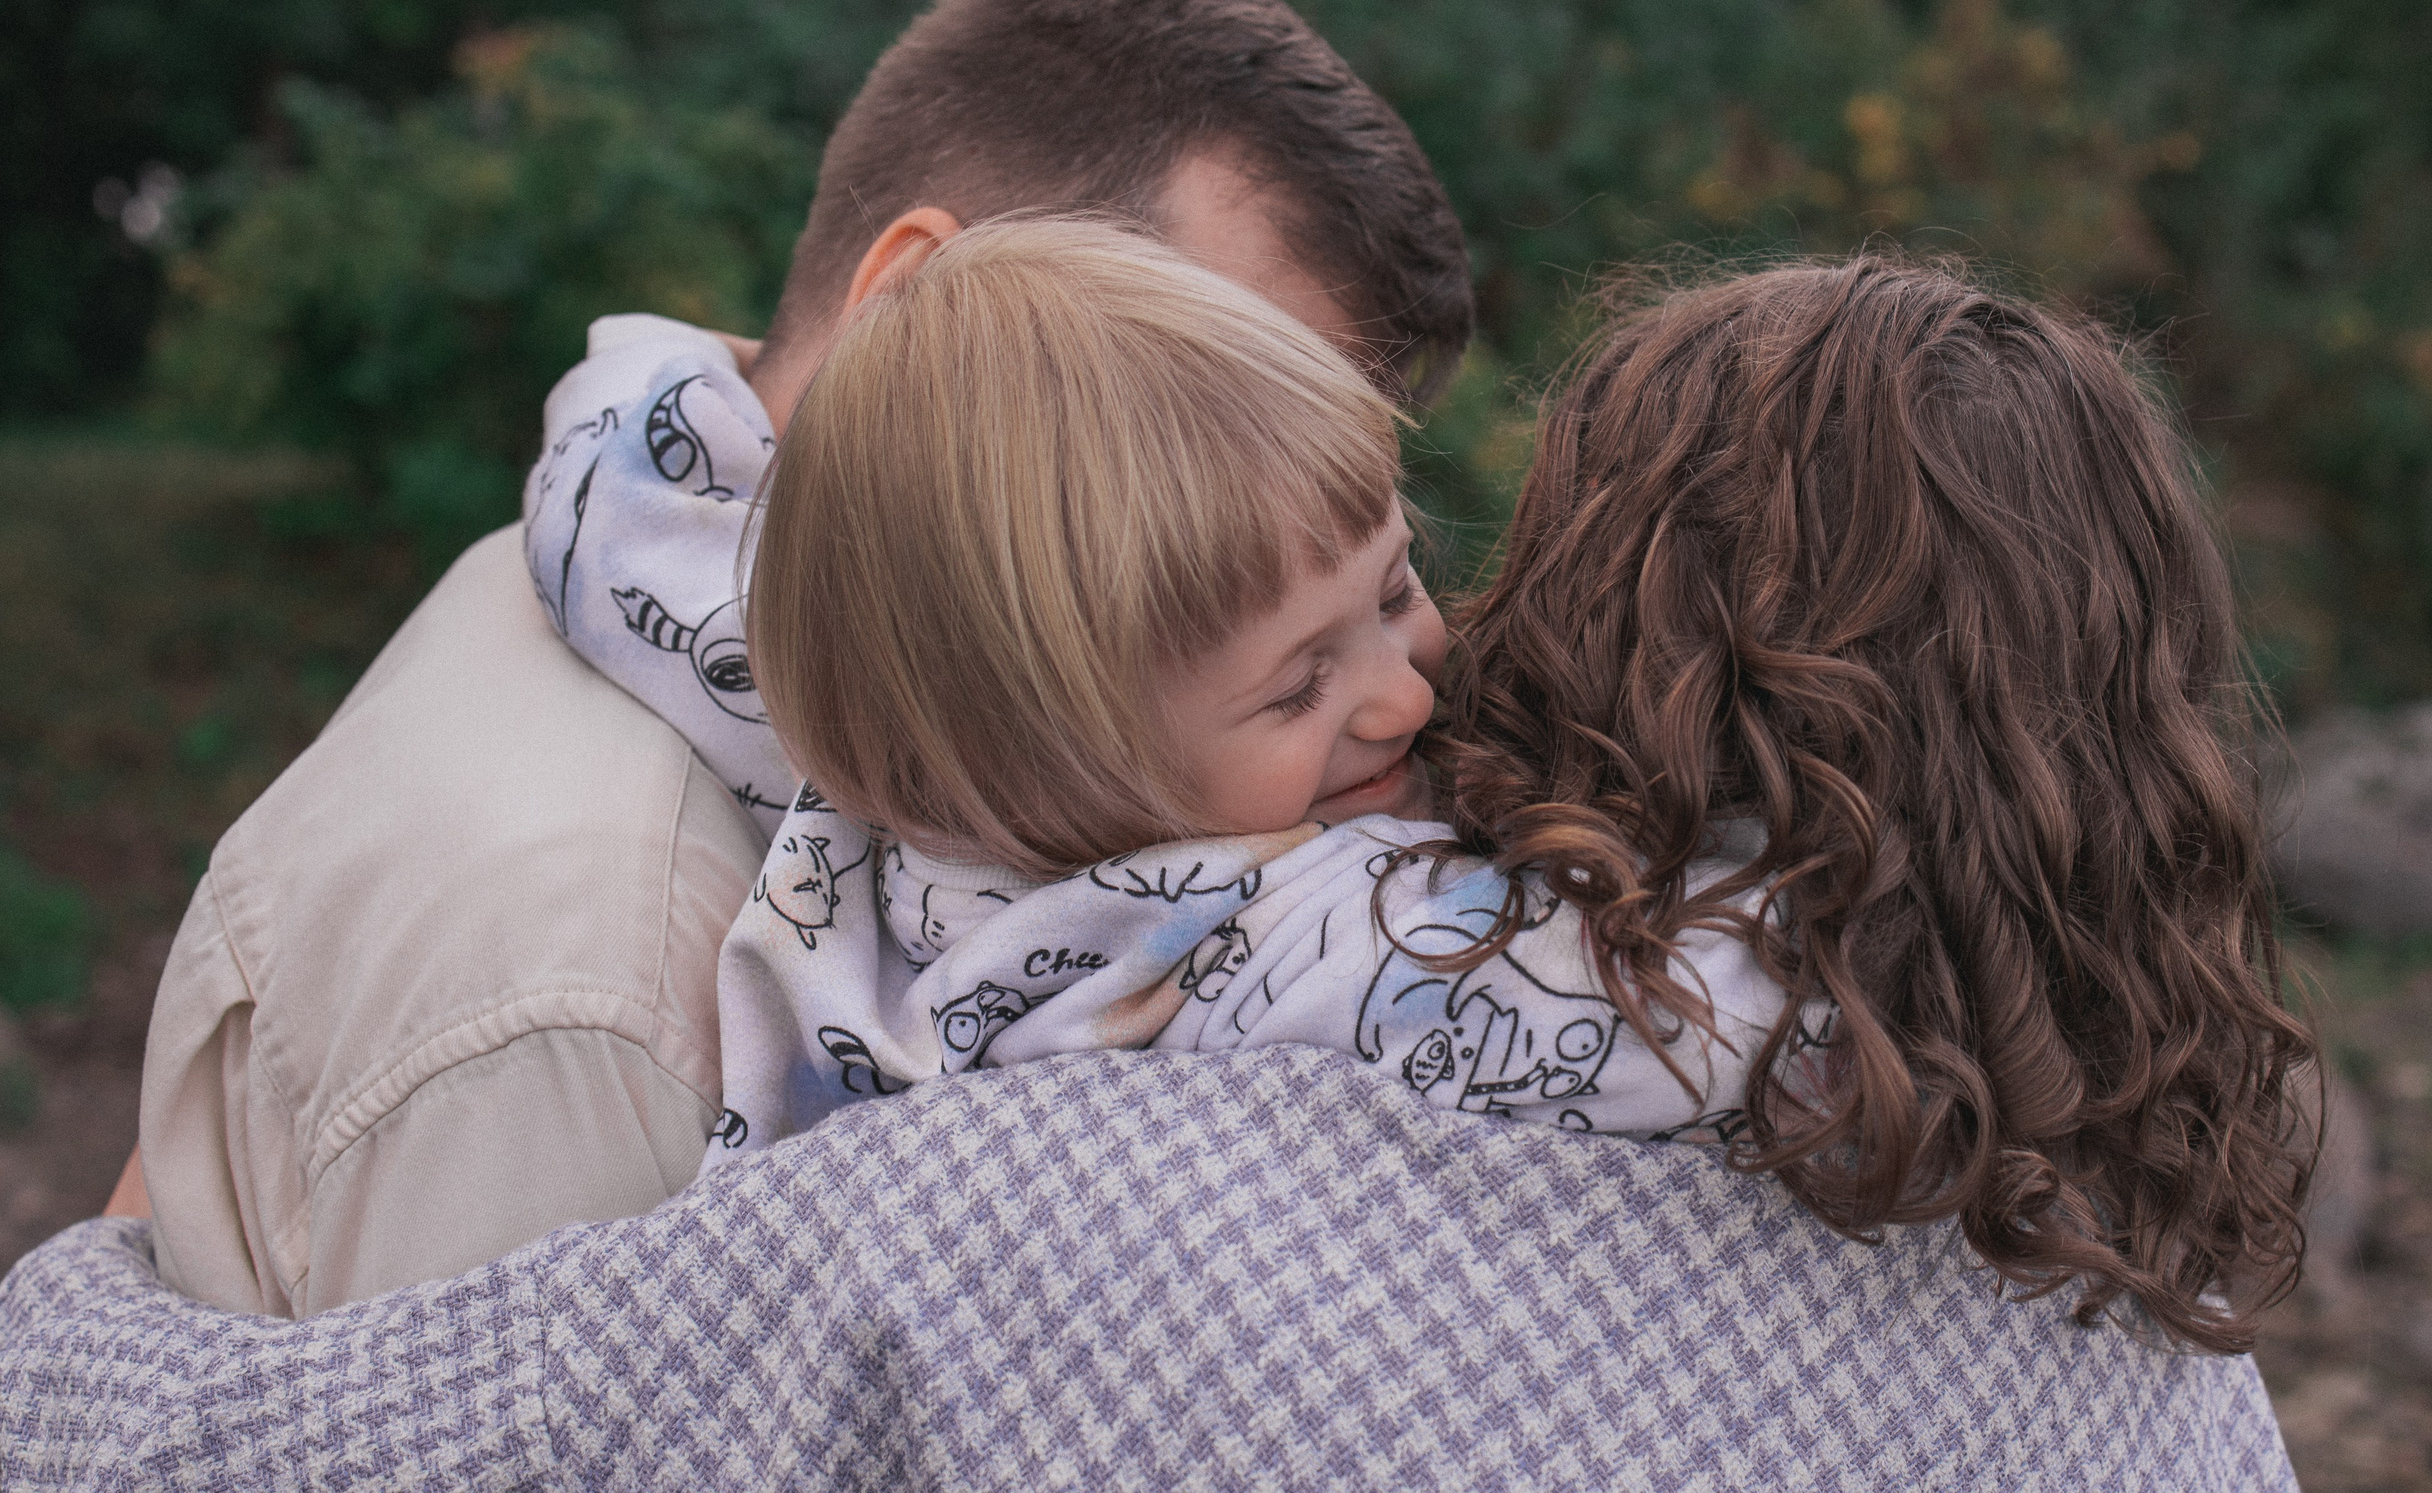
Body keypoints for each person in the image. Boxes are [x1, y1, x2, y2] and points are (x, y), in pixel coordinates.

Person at [0, 255, 2308, 1493]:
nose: (1422, 656)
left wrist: (98, 1275)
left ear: (1605, 612)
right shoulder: (2127, 1289)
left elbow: (275, 1466)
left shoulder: (1039, 1193)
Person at [130, 0, 1472, 1318]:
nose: (1258, 485)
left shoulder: (624, 559)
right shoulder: (604, 985)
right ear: (915, 301)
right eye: (1186, 400)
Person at [537, 214, 1792, 1157]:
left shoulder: (857, 720)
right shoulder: (1219, 945)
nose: (1402, 699)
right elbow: (1718, 1029)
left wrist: (653, 362)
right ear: (1022, 763)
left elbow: (623, 518)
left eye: (1398, 590)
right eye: (1298, 690)